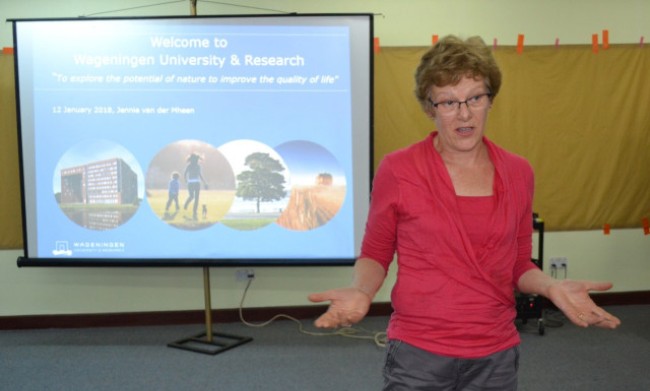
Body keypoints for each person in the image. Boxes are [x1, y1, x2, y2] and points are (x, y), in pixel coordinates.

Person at [308, 35, 621, 391]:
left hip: (495, 353)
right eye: (448, 101)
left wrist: (551, 287)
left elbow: (519, 264)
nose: (464, 112)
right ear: (430, 108)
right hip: (418, 352)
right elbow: (377, 253)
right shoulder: (398, 169)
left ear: (491, 100)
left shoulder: (519, 172)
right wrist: (361, 290)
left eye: (475, 97)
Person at [183, 152, 207, 220]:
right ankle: (186, 205)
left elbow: (199, 175)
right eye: (196, 160)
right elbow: (185, 174)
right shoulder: (190, 166)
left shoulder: (196, 166)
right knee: (193, 197)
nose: (197, 161)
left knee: (195, 197)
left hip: (195, 183)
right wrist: (186, 180)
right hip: (193, 183)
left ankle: (194, 211)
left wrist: (204, 182)